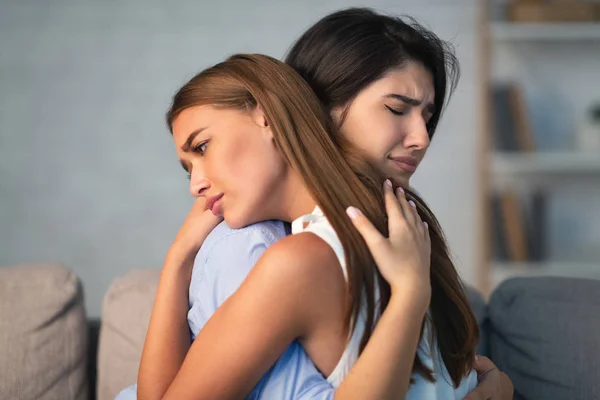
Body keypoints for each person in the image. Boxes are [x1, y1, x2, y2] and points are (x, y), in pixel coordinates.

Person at [117, 8, 513, 400]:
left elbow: (438, 376)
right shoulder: (263, 251)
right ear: (323, 105)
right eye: (396, 108)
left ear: (268, 116)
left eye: (426, 116)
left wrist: (495, 383)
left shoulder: (401, 231)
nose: (422, 138)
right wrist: (179, 259)